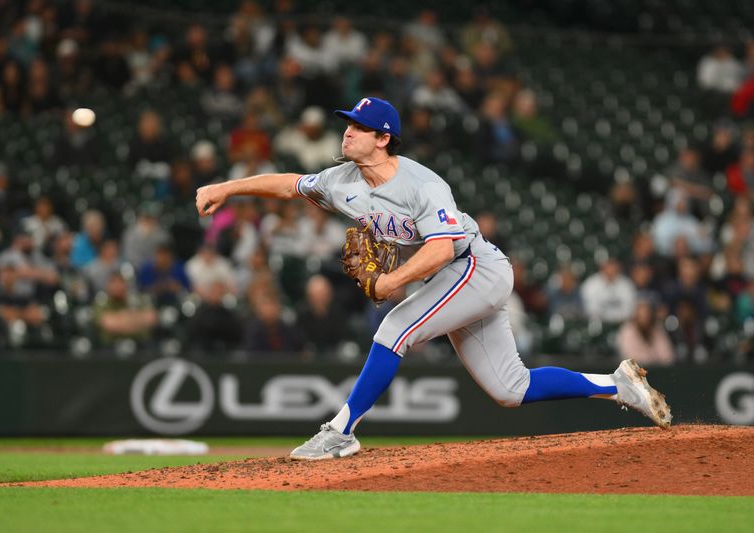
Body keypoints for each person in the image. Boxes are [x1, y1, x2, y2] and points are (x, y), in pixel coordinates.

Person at [195, 96, 672, 461]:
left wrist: (389, 283)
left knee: (393, 329)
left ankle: (341, 432)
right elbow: (289, 184)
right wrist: (227, 188)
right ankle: (616, 386)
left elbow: (442, 247)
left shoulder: (423, 184)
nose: (347, 133)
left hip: (474, 268)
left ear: (383, 138)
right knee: (512, 389)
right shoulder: (341, 182)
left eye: (359, 127)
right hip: (450, 280)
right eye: (348, 124)